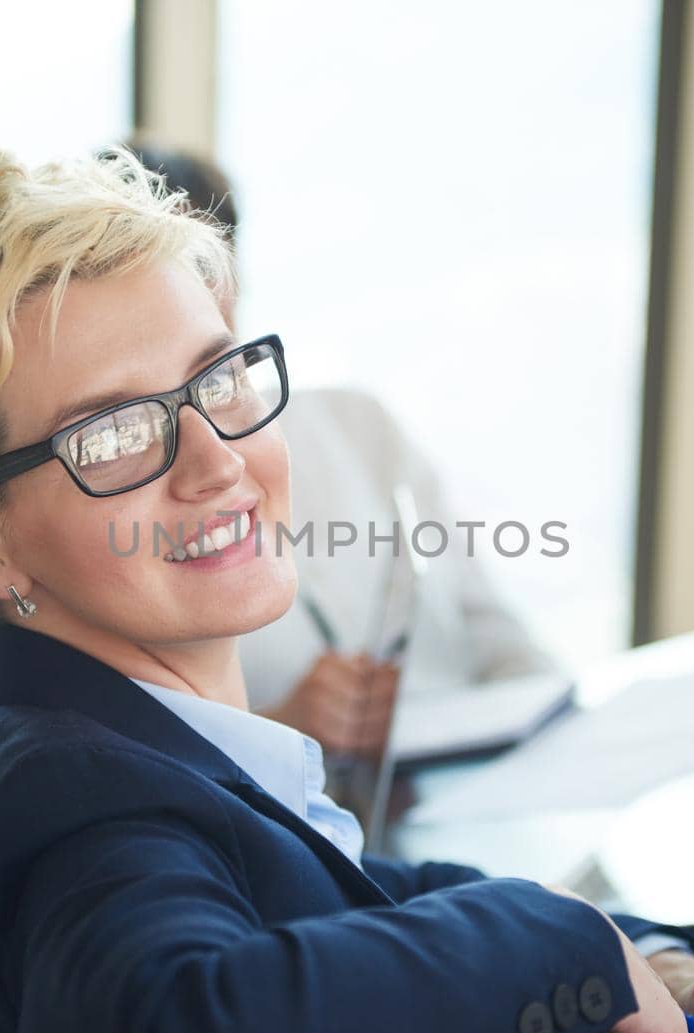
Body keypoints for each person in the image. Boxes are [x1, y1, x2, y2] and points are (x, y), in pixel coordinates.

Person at [0, 149, 694, 1033]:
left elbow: (364, 883)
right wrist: (558, 943)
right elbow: (178, 1032)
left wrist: (640, 957)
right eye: (114, 434)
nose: (216, 461)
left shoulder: (162, 754)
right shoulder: (76, 811)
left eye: (215, 380)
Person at [130, 140, 553, 757]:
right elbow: (138, 752)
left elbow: (498, 637)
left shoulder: (359, 425)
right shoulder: (136, 509)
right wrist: (283, 732)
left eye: (204, 265)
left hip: (477, 790)